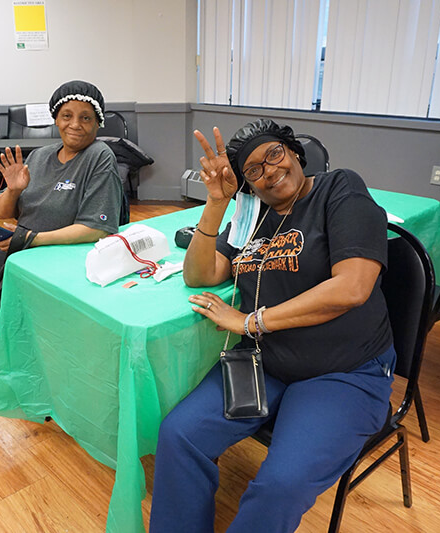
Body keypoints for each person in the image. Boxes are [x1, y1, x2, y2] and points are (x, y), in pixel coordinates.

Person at [149, 119, 395, 533]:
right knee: (179, 436)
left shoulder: (339, 189)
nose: (269, 172)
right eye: (254, 171)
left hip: (343, 371)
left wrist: (249, 321)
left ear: (295, 153)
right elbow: (200, 274)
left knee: (279, 484)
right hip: (266, 364)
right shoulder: (251, 216)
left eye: (275, 155)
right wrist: (215, 204)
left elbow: (352, 287)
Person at [0, 80, 123, 416]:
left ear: (98, 123)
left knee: (5, 321)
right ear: (55, 119)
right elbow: (3, 213)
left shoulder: (99, 157)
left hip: (61, 257)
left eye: (87, 118)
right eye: (67, 115)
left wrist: (30, 239)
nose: (75, 124)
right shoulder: (41, 155)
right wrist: (14, 191)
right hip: (20, 252)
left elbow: (96, 227)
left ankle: (51, 394)